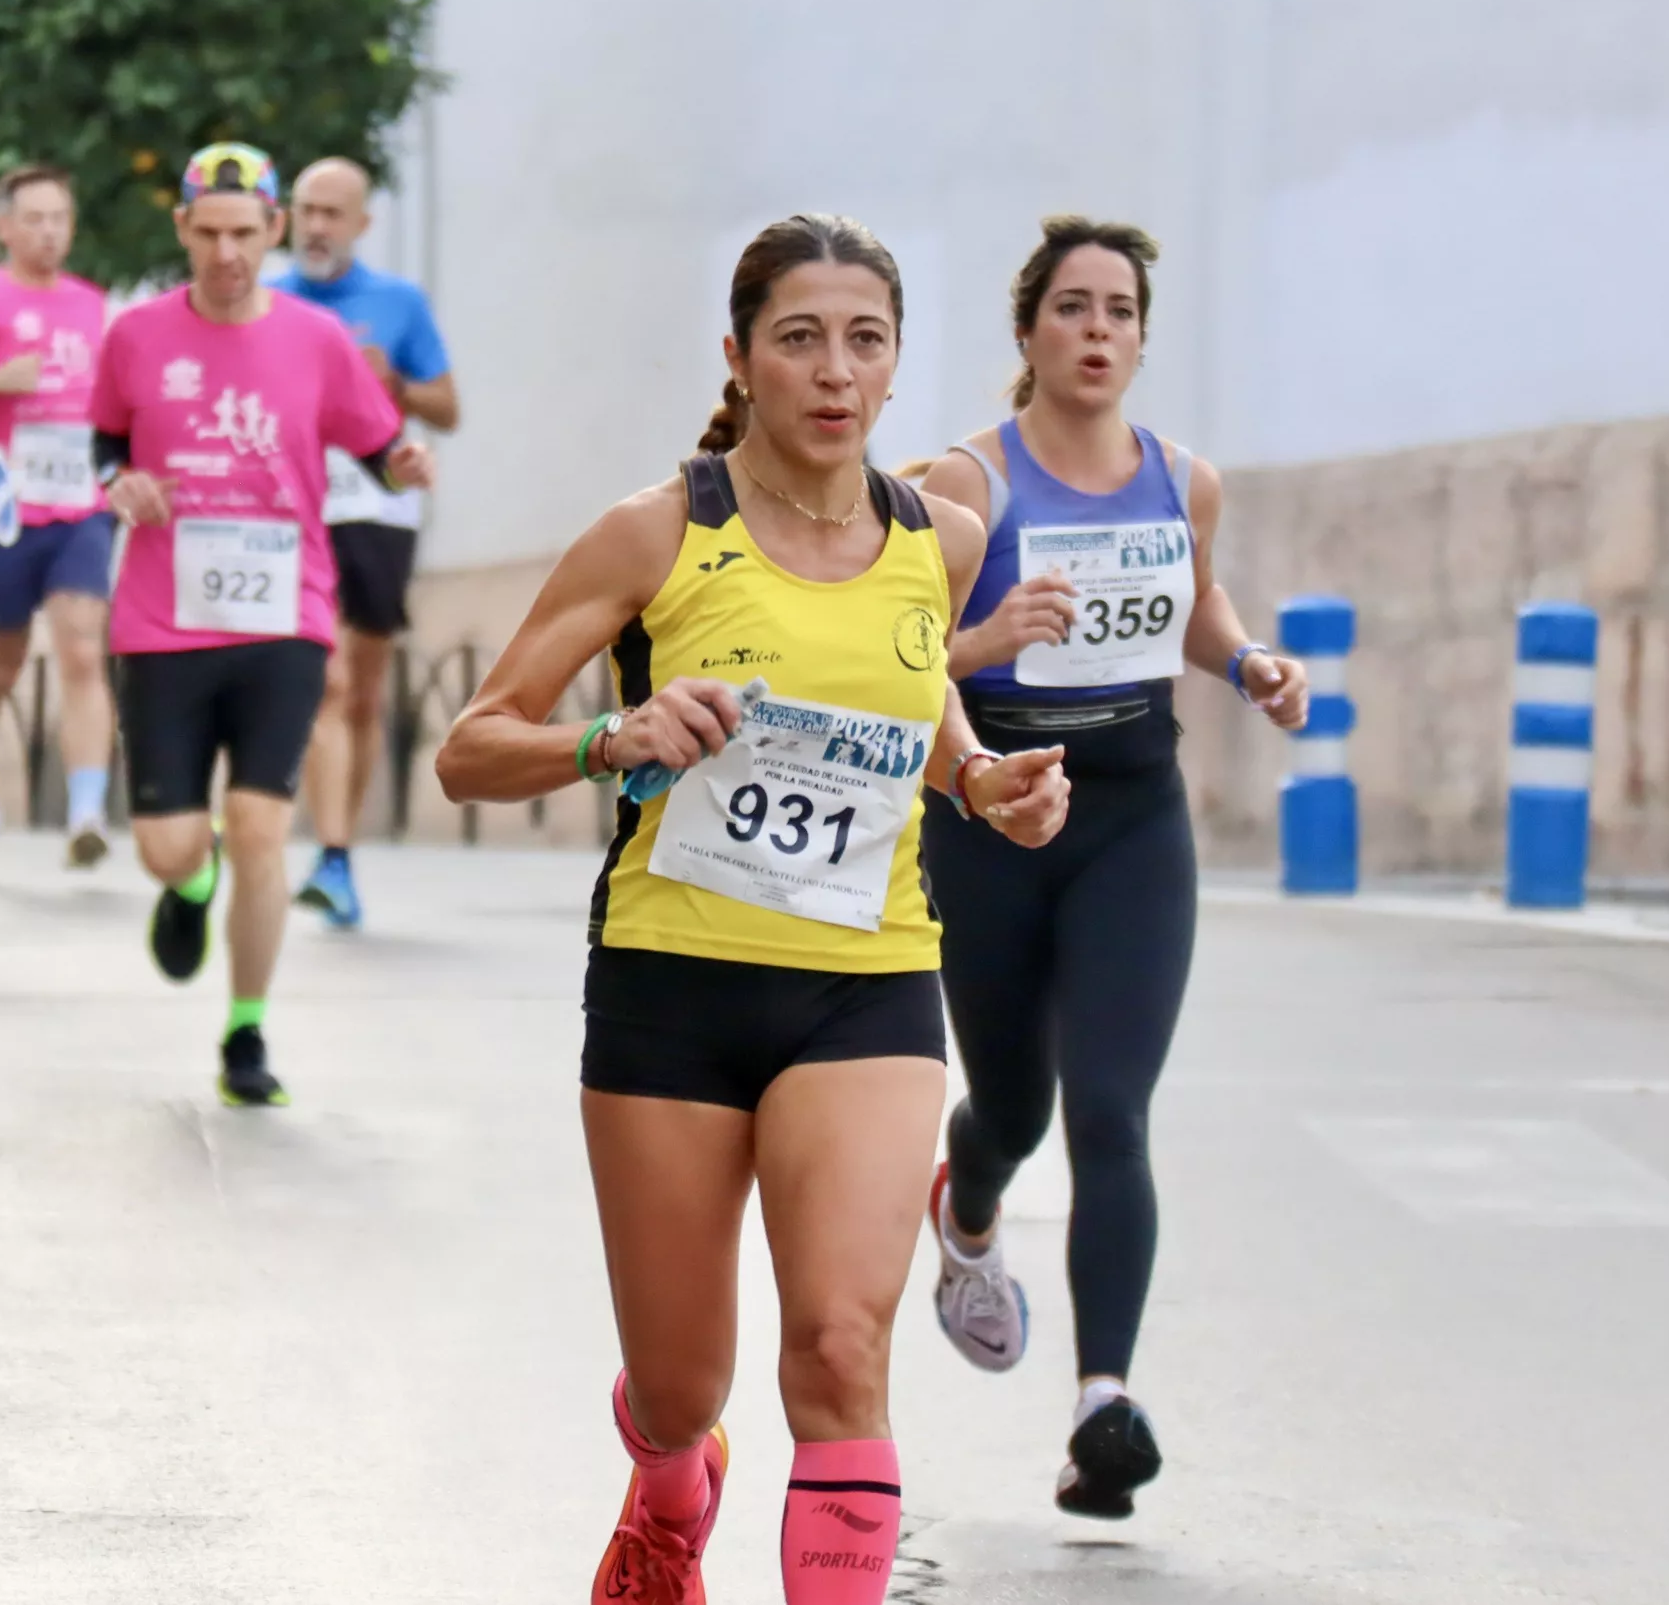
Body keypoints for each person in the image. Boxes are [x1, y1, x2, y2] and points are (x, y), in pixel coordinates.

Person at [436, 214, 1071, 1604]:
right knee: (681, 1381)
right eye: (799, 339)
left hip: (870, 982)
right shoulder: (657, 531)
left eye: (865, 340)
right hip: (673, 988)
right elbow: (471, 744)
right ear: (741, 358)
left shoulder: (943, 540)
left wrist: (977, 774)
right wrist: (615, 735)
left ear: (897, 364)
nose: (834, 371)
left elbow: (915, 685)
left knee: (843, 1350)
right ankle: (670, 1475)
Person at [914, 216, 1310, 1520]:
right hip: (996, 815)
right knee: (1014, 1107)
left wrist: (1248, 660)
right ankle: (965, 1204)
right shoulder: (964, 483)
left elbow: (1197, 602)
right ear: (1027, 332)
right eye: (1073, 308)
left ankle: (1102, 1406)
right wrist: (987, 635)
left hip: (1135, 815)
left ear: (1142, 337)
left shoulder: (1183, 478)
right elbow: (893, 655)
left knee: (1110, 1108)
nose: (1098, 331)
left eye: (1121, 311)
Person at [90, 143, 433, 1105]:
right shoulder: (136, 337)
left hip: (286, 612)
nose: (227, 252)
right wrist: (121, 483)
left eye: (245, 233)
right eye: (209, 233)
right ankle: (186, 882)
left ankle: (246, 1032)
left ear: (274, 229)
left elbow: (376, 440)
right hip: (162, 618)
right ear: (184, 232)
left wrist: (405, 463)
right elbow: (100, 445)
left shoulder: (316, 340)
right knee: (168, 844)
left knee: (257, 824)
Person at [272, 157, 460, 929]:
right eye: (307, 210)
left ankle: (336, 856)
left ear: (360, 224)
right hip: (293, 507)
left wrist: (398, 386)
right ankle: (332, 852)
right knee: (332, 681)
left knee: (365, 693)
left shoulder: (398, 302)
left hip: (377, 509)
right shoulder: (268, 300)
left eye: (332, 213)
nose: (318, 226)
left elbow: (447, 408)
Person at [0, 165, 119, 866]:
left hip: (82, 508)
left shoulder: (94, 305)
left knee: (81, 649)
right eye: (33, 218)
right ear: (4, 227)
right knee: (1, 662)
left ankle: (87, 811)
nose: (48, 232)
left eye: (59, 218)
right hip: (6, 509)